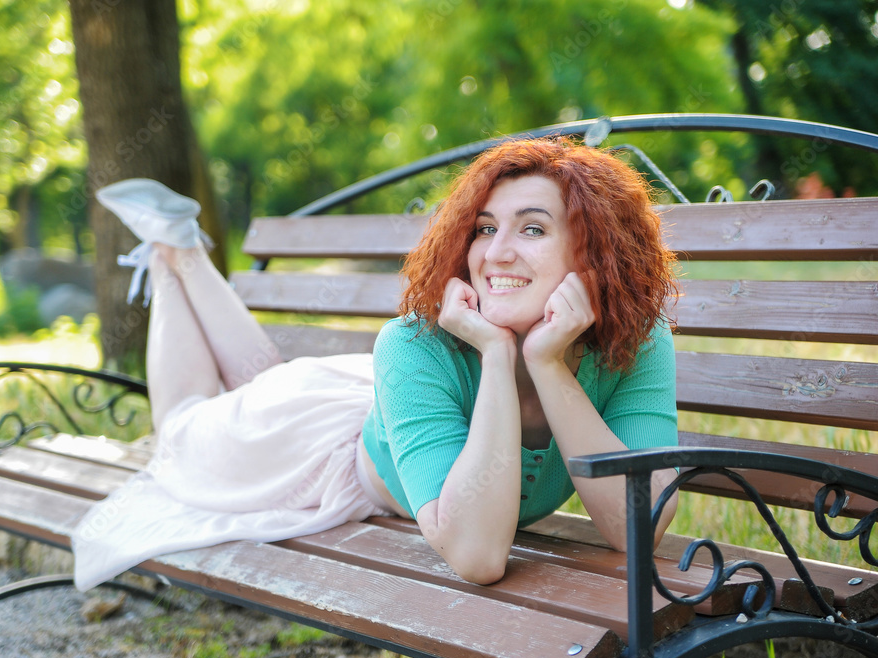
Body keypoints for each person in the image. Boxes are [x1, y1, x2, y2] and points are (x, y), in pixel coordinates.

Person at [71, 137, 679, 591]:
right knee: (179, 429)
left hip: (377, 404)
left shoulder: (634, 341)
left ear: (595, 253)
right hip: (313, 453)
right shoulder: (416, 344)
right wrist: (498, 353)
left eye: (533, 229)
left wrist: (548, 366)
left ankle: (178, 246)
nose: (495, 253)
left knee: (257, 382)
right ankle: (171, 253)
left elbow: (638, 527)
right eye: (486, 227)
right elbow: (477, 554)